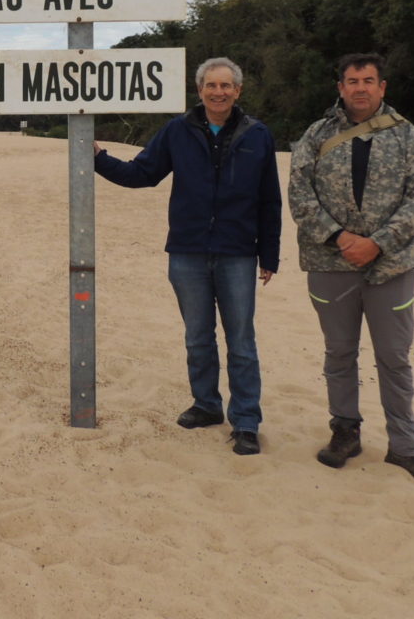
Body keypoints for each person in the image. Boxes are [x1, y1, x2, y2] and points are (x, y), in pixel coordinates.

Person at [93, 57, 281, 455]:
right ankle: (207, 405)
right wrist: (96, 158)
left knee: (242, 341)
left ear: (238, 91)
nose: (219, 92)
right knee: (198, 338)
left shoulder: (257, 134)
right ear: (199, 91)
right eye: (211, 85)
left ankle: (246, 420)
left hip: (238, 253)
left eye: (226, 86)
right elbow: (142, 173)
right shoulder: (178, 131)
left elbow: (269, 200)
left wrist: (270, 254)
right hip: (187, 251)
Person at [288, 52, 414, 487]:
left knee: (393, 358)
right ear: (340, 87)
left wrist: (379, 242)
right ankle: (345, 432)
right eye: (352, 80)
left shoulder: (407, 136)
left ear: (382, 87)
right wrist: (341, 239)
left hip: (392, 265)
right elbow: (299, 194)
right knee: (339, 352)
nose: (360, 88)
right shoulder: (317, 135)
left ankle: (405, 447)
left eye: (368, 80)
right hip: (328, 262)